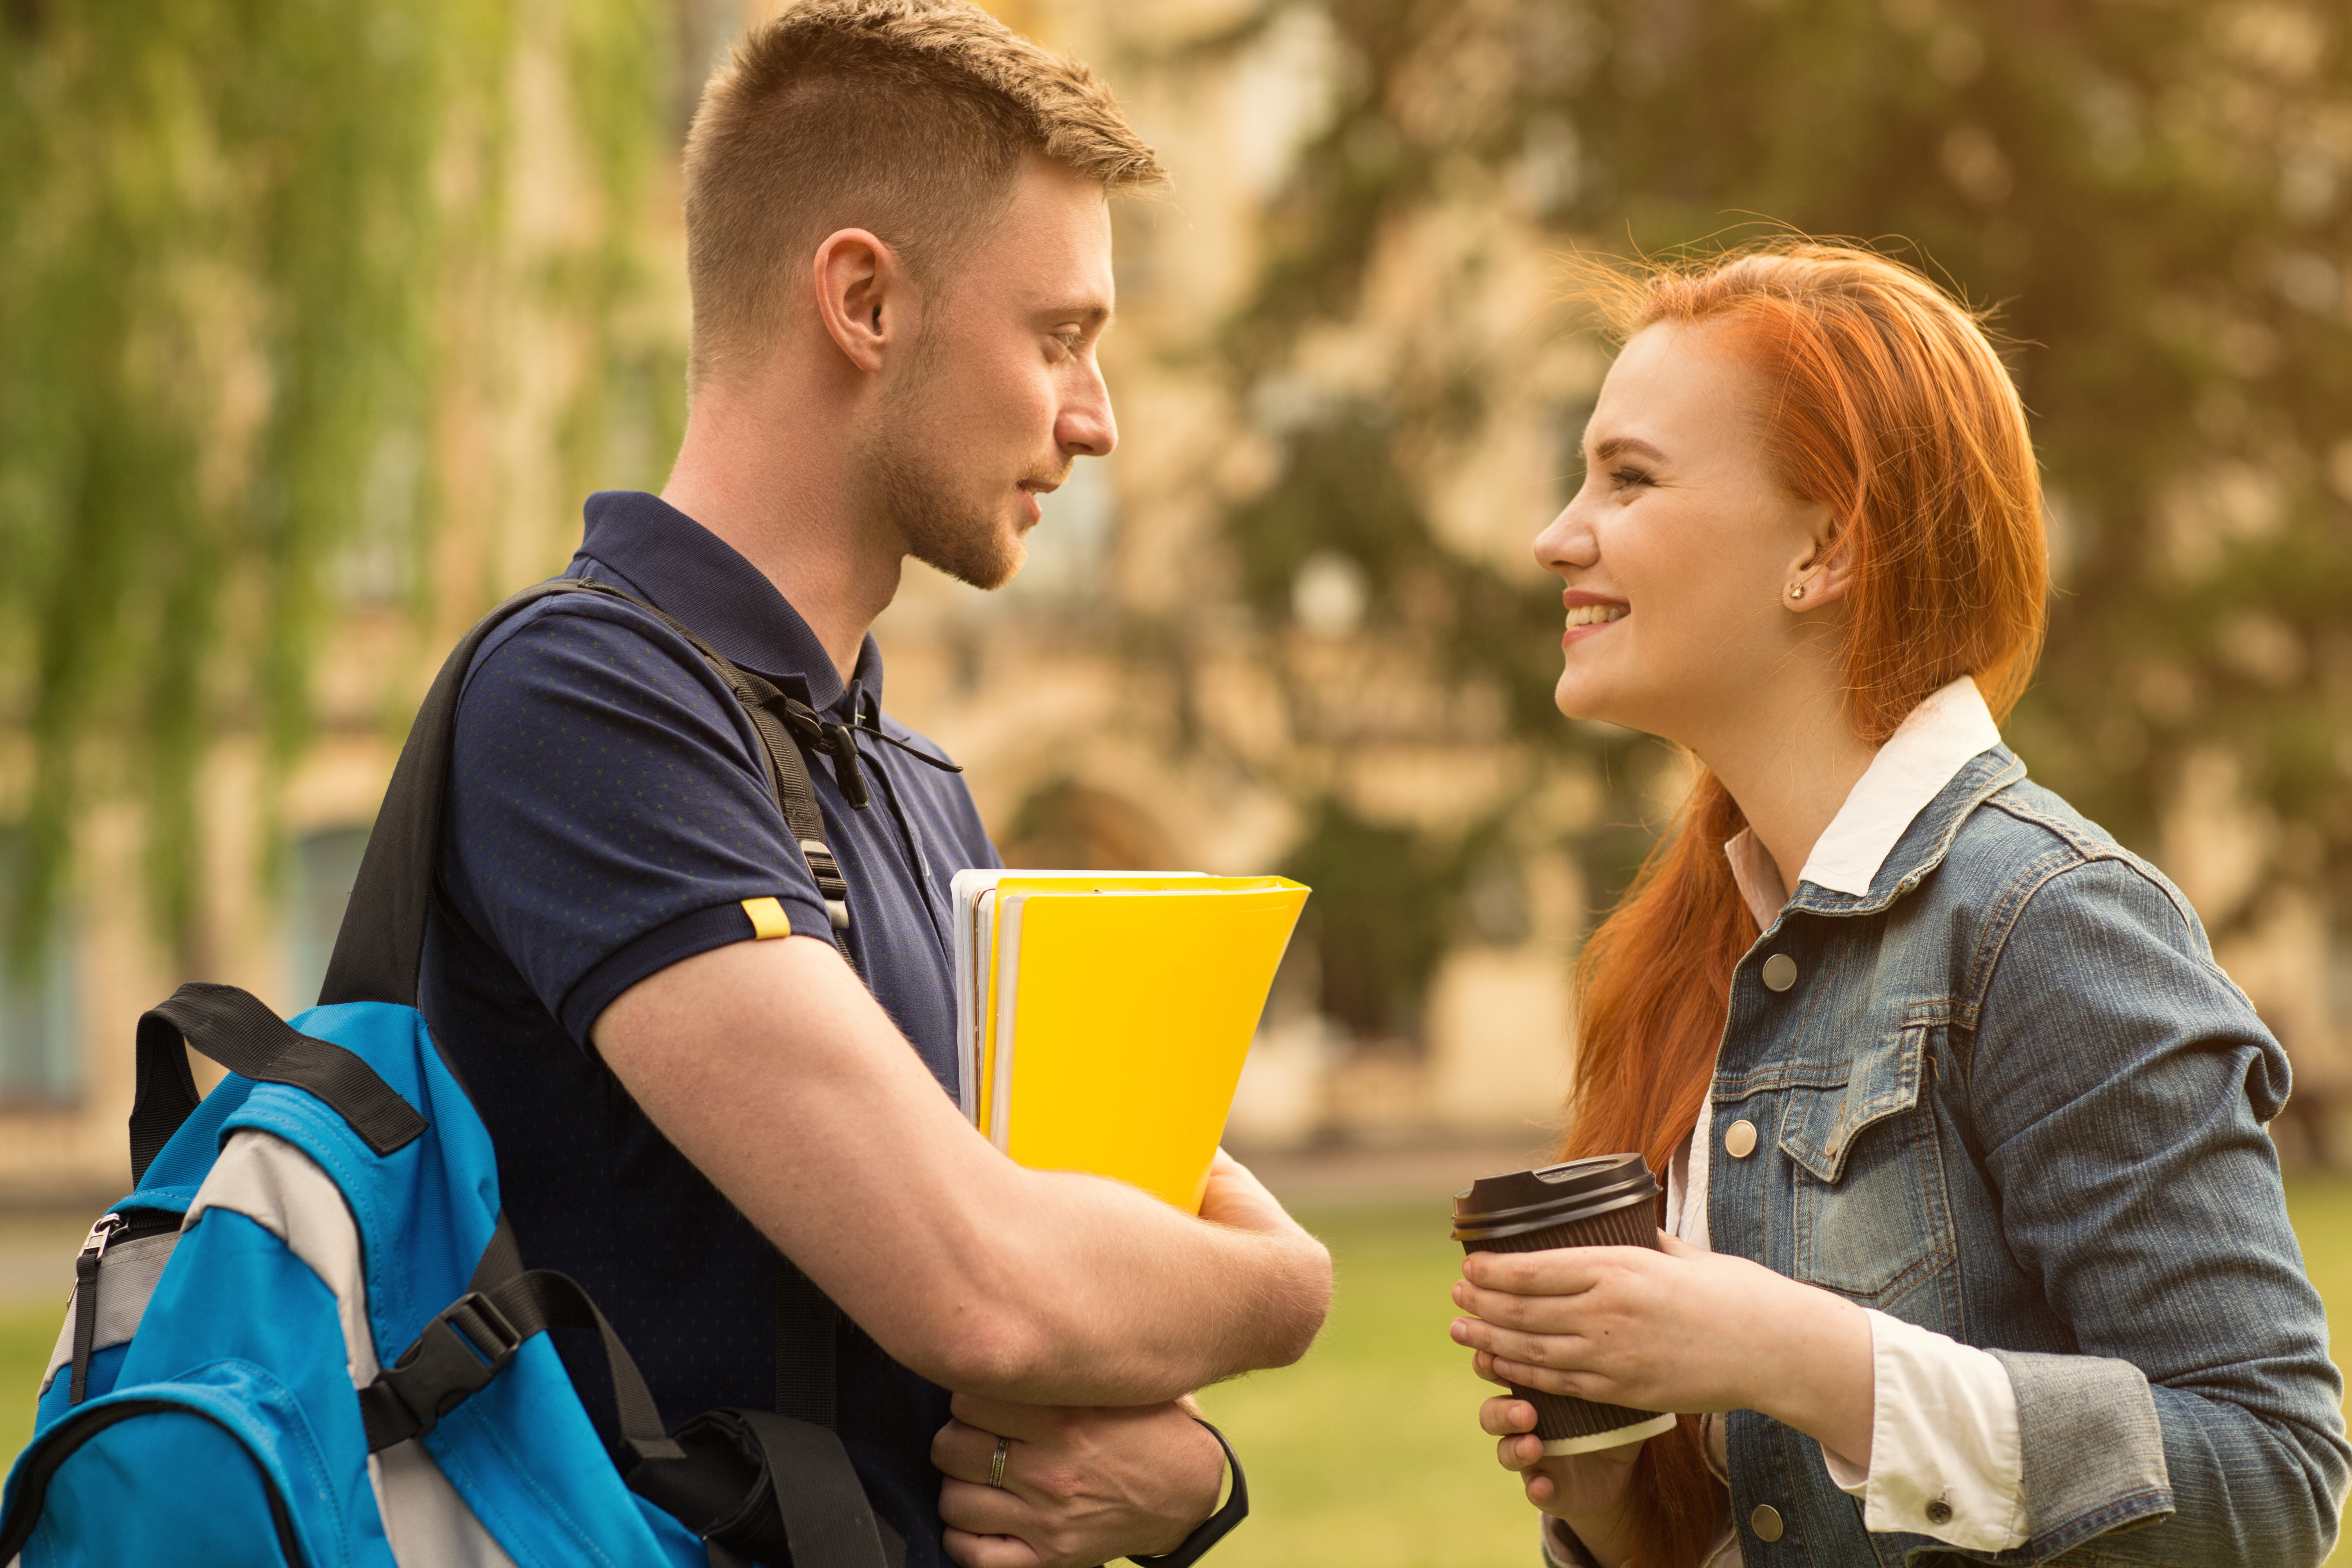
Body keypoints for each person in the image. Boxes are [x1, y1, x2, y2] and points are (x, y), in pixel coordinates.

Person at [416, 4, 1332, 1566]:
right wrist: (1294, 1291)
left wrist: (1185, 1486)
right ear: (863, 301)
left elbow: (1045, 1365)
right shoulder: (581, 704)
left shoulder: (916, 789)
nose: (1096, 419)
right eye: (1058, 338)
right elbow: (990, 1285)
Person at [1450, 242, 2350, 1567]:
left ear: (1824, 546)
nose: (1555, 536)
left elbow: (2273, 1478)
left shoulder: (2047, 923)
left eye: (1628, 478)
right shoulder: (1703, 941)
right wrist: (1614, 1508)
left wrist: (1795, 1355)